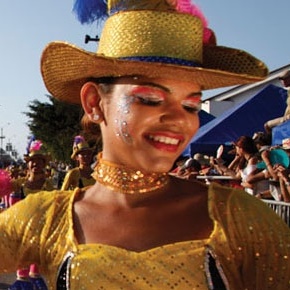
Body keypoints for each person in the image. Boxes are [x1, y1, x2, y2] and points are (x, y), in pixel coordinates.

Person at [1, 1, 290, 289]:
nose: (180, 120)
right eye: (150, 100)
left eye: (192, 105)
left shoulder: (241, 220)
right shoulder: (47, 217)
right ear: (95, 103)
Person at [264, 69, 290, 134]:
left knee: (267, 125)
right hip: (287, 117)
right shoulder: (288, 91)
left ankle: (271, 141)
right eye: (281, 80)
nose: (282, 81)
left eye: (284, 79)